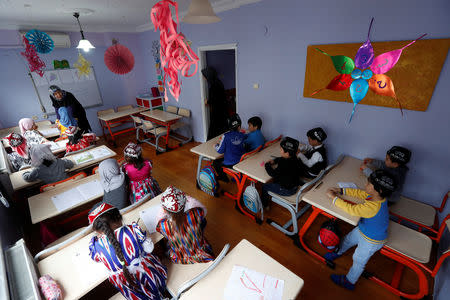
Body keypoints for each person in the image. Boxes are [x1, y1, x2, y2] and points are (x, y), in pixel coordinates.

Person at [324, 170, 396, 290]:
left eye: (369, 184)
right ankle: (338, 252)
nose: (365, 185)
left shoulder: (373, 207)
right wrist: (341, 190)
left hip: (371, 240)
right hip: (364, 230)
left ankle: (349, 281)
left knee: (358, 260)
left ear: (379, 190)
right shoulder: (376, 197)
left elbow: (352, 209)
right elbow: (360, 193)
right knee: (347, 240)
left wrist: (333, 198)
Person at [88, 203, 167, 300]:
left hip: (129, 287)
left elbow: (96, 259)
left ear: (98, 231)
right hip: (148, 277)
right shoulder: (132, 229)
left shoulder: (95, 245)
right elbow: (149, 248)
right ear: (119, 218)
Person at [156, 186, 214, 264]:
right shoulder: (196, 213)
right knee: (202, 222)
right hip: (202, 254)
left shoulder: (163, 225)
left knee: (166, 244)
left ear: (164, 210)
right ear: (185, 203)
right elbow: (204, 211)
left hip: (179, 258)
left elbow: (160, 228)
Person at [262, 137, 303, 207]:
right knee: (277, 180)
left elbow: (272, 174)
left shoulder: (283, 163)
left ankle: (264, 205)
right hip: (294, 186)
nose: (280, 150)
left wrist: (267, 165)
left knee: (265, 186)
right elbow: (281, 158)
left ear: (287, 153)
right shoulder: (296, 158)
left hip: (287, 190)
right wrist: (274, 161)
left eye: (281, 149)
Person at [213, 113, 245, 182]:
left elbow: (220, 151)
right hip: (240, 161)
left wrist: (215, 146)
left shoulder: (226, 136)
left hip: (230, 163)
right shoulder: (242, 135)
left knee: (216, 162)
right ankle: (237, 176)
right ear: (239, 127)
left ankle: (224, 178)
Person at [202, 67, 228, 139]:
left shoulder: (214, 86)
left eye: (204, 76)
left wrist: (208, 101)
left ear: (208, 75)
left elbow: (215, 99)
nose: (204, 78)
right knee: (219, 128)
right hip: (222, 110)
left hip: (218, 111)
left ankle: (211, 145)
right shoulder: (218, 82)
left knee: (215, 129)